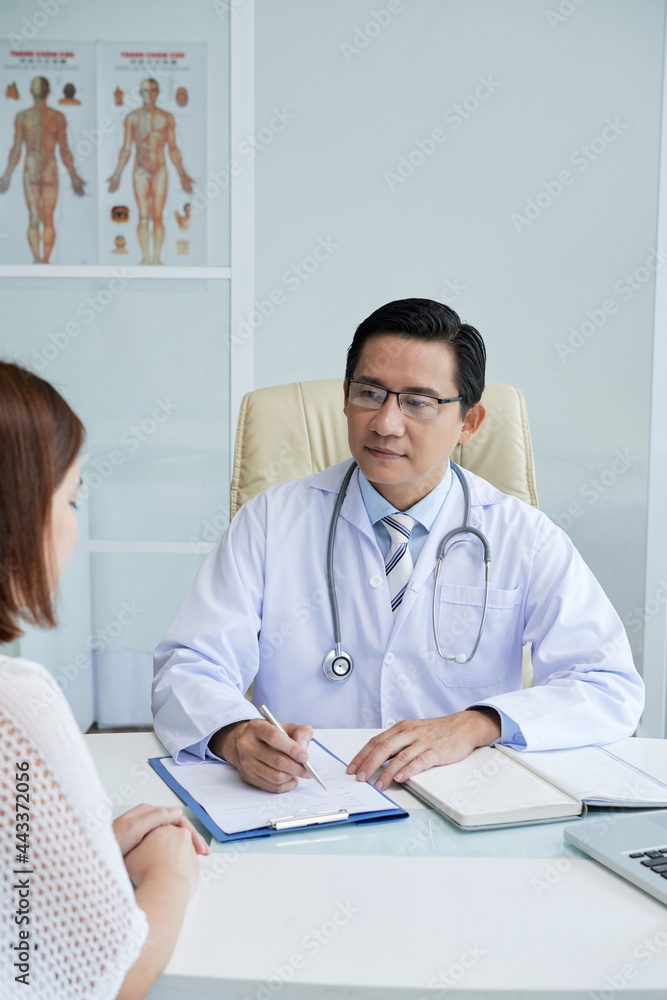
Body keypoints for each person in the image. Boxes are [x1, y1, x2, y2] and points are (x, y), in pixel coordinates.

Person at [152, 298, 644, 795]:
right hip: (308, 795)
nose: (386, 423)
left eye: (418, 402)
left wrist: (477, 724)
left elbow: (608, 685)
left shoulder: (524, 538)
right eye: (370, 393)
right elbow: (190, 665)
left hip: (466, 798)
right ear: (345, 397)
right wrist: (234, 735)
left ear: (468, 423)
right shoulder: (270, 522)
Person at [0, 362, 209, 999]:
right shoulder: (16, 704)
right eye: (70, 499)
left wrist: (79, 845)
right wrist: (170, 873)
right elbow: (104, 981)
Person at [107, 78, 194, 265]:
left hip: (160, 170)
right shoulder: (132, 118)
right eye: (146, 91)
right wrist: (117, 174)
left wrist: (182, 174)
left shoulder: (167, 117)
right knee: (144, 216)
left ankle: (157, 259)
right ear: (140, 93)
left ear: (157, 93)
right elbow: (126, 148)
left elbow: (172, 148)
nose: (149, 94)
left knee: (158, 216)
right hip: (140, 171)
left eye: (153, 91)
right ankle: (145, 258)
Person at [0, 77, 86, 263]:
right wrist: (6, 174)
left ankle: (42, 261)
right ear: (48, 92)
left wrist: (73, 175)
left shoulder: (30, 116)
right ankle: (40, 261)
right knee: (43, 217)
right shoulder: (50, 116)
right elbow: (17, 148)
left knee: (40, 217)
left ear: (32, 92)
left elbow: (63, 148)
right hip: (46, 170)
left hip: (37, 169)